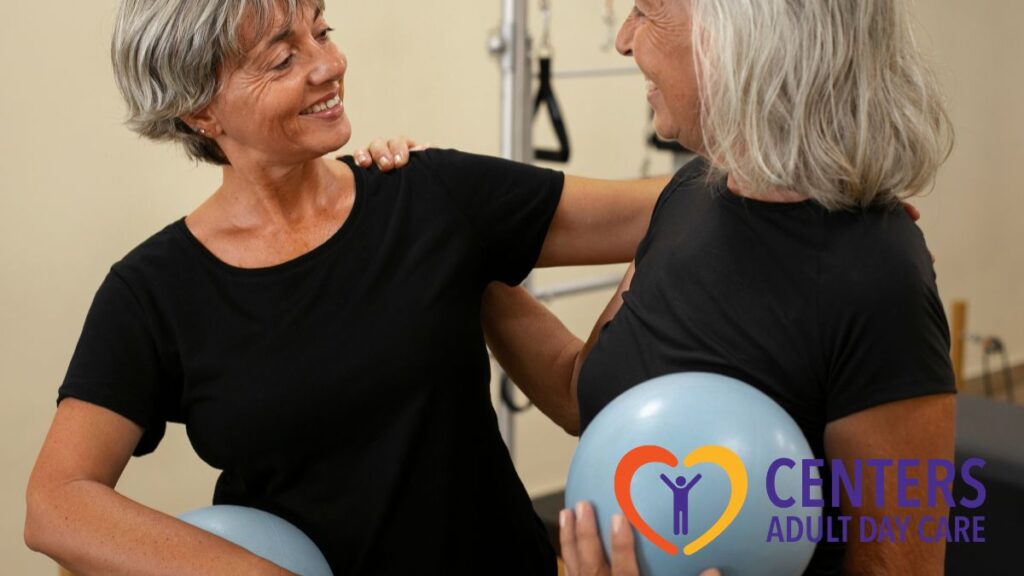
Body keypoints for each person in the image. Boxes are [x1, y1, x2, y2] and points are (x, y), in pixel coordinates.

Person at [22, 1, 671, 574]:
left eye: (322, 31)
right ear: (199, 110)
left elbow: (673, 211)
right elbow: (57, 503)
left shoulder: (427, 196)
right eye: (281, 59)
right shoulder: (154, 291)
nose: (330, 64)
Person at [481, 0, 956, 574]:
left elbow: (899, 566)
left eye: (646, 11)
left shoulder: (879, 273)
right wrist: (454, 260)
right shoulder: (691, 195)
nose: (624, 40)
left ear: (743, 37)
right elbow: (580, 391)